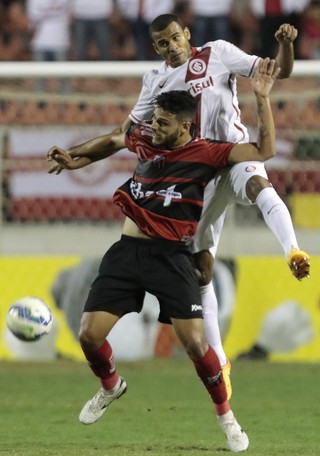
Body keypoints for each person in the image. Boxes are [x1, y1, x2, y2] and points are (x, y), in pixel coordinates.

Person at [47, 14, 311, 401]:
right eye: (162, 43)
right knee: (202, 268)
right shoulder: (155, 82)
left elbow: (278, 72)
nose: (171, 46)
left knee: (259, 183)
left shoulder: (219, 53)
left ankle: (292, 250)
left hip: (234, 155)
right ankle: (220, 360)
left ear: (187, 34)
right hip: (197, 177)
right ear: (155, 47)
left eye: (175, 38)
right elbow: (122, 136)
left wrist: (286, 45)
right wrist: (74, 156)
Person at [48, 58, 279, 452]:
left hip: (172, 257)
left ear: (185, 127)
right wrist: (76, 157)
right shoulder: (145, 138)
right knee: (88, 335)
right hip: (127, 251)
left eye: (164, 123)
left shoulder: (208, 153)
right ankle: (110, 386)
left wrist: (262, 100)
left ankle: (227, 417)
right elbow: (112, 140)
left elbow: (265, 150)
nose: (154, 127)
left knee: (193, 343)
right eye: (154, 120)